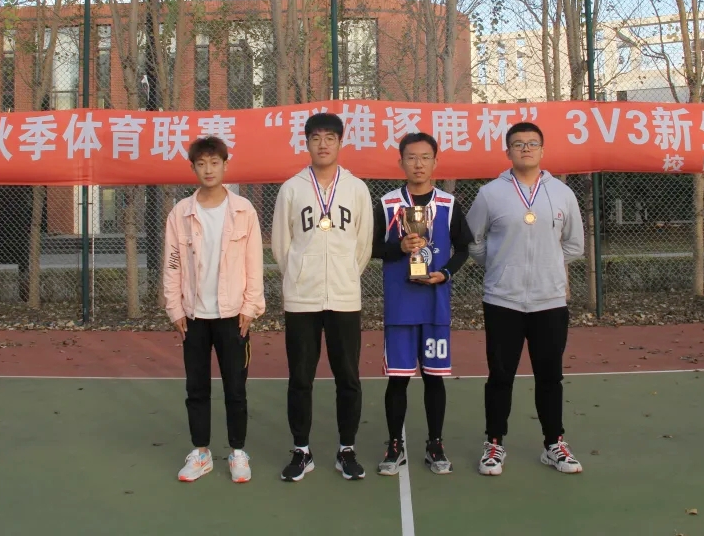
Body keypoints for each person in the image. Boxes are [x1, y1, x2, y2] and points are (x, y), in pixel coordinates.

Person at [466, 121, 585, 476]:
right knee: (500, 376)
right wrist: (501, 266)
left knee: (550, 376)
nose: (526, 149)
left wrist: (549, 268)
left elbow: (575, 245)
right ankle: (494, 444)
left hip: (550, 301)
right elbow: (473, 241)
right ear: (508, 152)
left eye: (532, 143)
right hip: (503, 300)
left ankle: (554, 444)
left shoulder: (562, 193)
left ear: (543, 150)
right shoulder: (490, 194)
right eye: (518, 144)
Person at [272, 112, 374, 481]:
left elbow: (363, 244)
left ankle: (347, 449)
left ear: (340, 142)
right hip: (302, 298)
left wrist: (345, 274)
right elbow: (281, 245)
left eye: (330, 137)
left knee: (348, 377)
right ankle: (302, 450)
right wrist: (300, 274)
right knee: (301, 377)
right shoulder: (292, 188)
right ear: (307, 143)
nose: (323, 144)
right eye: (316, 137)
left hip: (344, 298)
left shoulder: (356, 189)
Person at [163, 136, 265, 484]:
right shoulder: (180, 213)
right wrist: (174, 308)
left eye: (215, 163)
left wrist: (250, 306)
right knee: (196, 389)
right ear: (193, 168)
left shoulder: (244, 210)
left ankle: (238, 452)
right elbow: (172, 263)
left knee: (235, 389)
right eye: (201, 163)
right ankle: (201, 452)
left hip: (233, 315)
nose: (208, 169)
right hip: (193, 317)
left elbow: (254, 262)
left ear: (225, 165)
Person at [373, 132, 472, 476]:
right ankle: (394, 446)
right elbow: (372, 247)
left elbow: (463, 248)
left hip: (434, 306)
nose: (418, 164)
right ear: (401, 162)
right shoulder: (388, 204)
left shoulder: (448, 204)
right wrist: (397, 247)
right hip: (400, 307)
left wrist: (445, 273)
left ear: (435, 162)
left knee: (434, 378)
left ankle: (435, 444)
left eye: (425, 157)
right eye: (411, 157)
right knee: (398, 380)